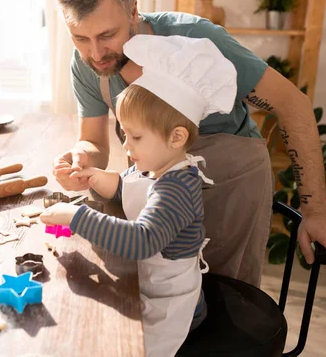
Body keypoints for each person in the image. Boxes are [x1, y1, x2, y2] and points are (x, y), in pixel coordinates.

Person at [51, 0, 326, 285]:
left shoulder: (195, 39)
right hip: (156, 184)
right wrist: (80, 159)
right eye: (79, 38)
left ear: (133, 11)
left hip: (233, 182)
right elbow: (93, 142)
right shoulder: (88, 66)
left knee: (219, 301)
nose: (95, 54)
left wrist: (316, 210)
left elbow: (294, 105)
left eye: (107, 34)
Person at [41, 33, 239, 356]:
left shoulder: (178, 188)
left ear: (176, 137)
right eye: (124, 134)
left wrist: (76, 217)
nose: (126, 146)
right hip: (152, 288)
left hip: (175, 307)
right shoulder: (157, 165)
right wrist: (92, 177)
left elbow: (141, 240)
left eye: (135, 136)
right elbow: (124, 187)